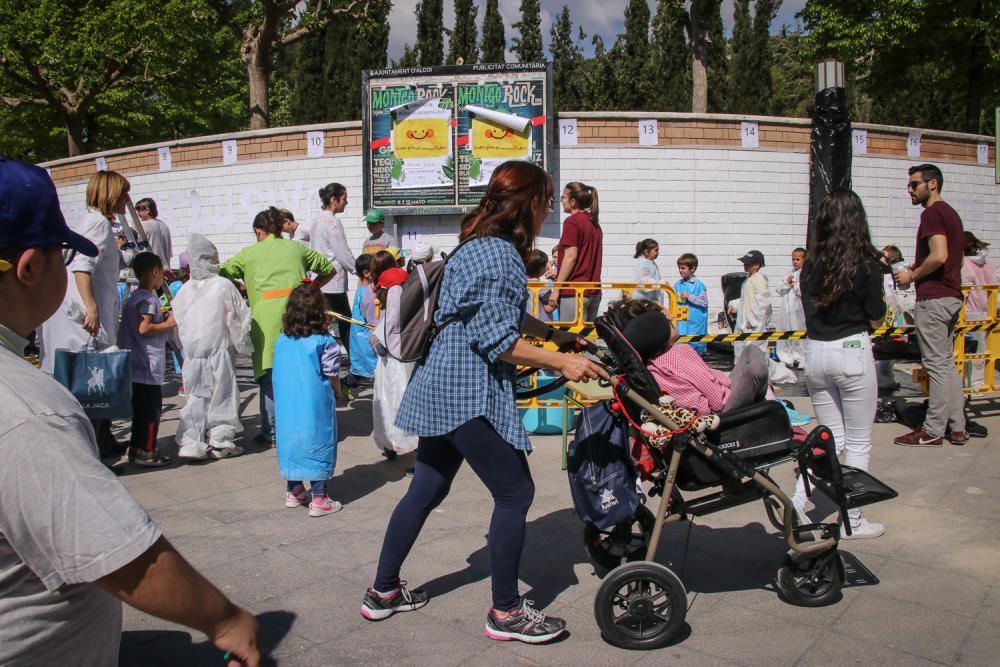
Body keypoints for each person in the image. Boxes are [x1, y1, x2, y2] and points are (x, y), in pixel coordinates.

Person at [0, 157, 260, 666]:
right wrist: (224, 618)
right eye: (63, 255)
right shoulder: (27, 410)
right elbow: (116, 552)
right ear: (32, 267)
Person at [361, 161, 607, 643]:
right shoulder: (502, 255)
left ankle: (383, 592)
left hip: (440, 384)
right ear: (530, 203)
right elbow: (498, 339)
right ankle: (506, 612)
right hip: (467, 390)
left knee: (426, 489)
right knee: (515, 493)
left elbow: (503, 315)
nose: (548, 212)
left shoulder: (474, 246)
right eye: (546, 202)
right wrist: (564, 364)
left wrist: (556, 336)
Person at [797, 189, 886, 538]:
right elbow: (877, 318)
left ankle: (797, 499)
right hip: (852, 349)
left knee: (828, 437)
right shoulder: (865, 265)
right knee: (859, 442)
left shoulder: (810, 266)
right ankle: (853, 518)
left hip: (816, 352)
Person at [219, 207, 334, 448]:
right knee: (304, 373)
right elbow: (329, 269)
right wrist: (310, 288)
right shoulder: (296, 248)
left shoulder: (249, 254)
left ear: (258, 231)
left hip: (265, 322)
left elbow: (220, 271)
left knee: (269, 378)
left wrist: (241, 286)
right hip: (300, 316)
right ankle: (304, 428)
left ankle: (271, 433)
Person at [39, 170, 133, 460]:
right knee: (92, 387)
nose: (127, 200)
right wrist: (91, 308)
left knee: (93, 385)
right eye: (124, 193)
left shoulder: (91, 222)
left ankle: (103, 440)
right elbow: (83, 267)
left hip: (80, 314)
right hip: (87, 319)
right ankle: (90, 452)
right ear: (111, 194)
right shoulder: (98, 224)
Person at [893, 164, 968, 446]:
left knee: (936, 365)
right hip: (950, 295)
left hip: (934, 299)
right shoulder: (951, 214)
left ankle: (933, 429)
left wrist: (912, 274)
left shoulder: (932, 214)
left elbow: (939, 255)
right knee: (947, 365)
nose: (910, 190)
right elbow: (955, 260)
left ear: (932, 184)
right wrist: (922, 266)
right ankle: (958, 427)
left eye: (915, 184)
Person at [611, 298, 771, 414]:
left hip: (709, 407)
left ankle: (768, 400)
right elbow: (717, 401)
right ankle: (770, 405)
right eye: (664, 316)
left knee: (750, 353)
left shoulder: (649, 366)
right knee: (757, 366)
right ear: (652, 328)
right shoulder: (678, 354)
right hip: (723, 412)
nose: (672, 317)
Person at [173, 234, 253, 461]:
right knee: (223, 394)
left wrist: (184, 347)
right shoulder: (223, 285)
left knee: (196, 395)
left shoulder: (185, 289)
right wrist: (242, 344)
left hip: (193, 354)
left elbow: (179, 322)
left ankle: (191, 440)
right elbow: (237, 318)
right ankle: (221, 439)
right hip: (219, 350)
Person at [274, 281, 344, 518]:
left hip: (286, 402)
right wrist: (338, 391)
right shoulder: (325, 341)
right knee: (317, 440)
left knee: (291, 439)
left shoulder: (282, 339)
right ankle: (319, 498)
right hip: (314, 402)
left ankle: (294, 490)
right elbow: (332, 373)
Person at [117, 252, 177, 467]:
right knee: (151, 413)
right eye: (161, 272)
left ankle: (136, 448)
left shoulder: (134, 296)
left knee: (140, 413)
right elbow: (144, 328)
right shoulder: (148, 299)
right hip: (147, 366)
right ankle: (147, 451)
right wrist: (169, 324)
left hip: (137, 366)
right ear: (154, 271)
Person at [370, 250, 418, 461]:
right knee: (399, 399)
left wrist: (378, 339)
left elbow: (392, 323)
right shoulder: (405, 282)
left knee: (392, 400)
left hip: (394, 357)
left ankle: (398, 442)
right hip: (408, 353)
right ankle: (397, 442)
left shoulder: (392, 287)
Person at [310, 183, 356, 358]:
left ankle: (321, 358)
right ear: (334, 200)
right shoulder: (332, 221)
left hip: (320, 279)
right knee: (346, 321)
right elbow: (341, 251)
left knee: (322, 322)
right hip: (333, 280)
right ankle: (356, 361)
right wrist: (356, 269)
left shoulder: (316, 220)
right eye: (344, 199)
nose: (346, 203)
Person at [548, 181, 603, 322]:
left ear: (573, 202)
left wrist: (556, 289)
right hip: (593, 291)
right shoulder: (595, 224)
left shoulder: (572, 222)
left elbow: (570, 257)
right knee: (587, 340)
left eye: (563, 198)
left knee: (571, 340)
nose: (561, 201)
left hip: (574, 292)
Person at [960, 231, 994, 390]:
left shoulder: (964, 265)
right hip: (989, 311)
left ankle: (968, 382)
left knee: (966, 352)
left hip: (969, 312)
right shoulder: (988, 263)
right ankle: (978, 383)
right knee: (983, 352)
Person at [729, 250, 772, 363]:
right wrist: (735, 306)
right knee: (741, 349)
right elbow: (746, 299)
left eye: (748, 264)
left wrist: (753, 321)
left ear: (757, 265)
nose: (745, 266)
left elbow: (762, 302)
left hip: (753, 324)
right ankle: (742, 375)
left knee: (755, 350)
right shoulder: (749, 279)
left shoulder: (759, 280)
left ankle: (760, 377)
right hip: (744, 321)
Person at [348, 254, 378, 384]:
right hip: (366, 338)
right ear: (366, 273)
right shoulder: (368, 292)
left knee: (360, 371)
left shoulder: (361, 290)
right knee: (375, 372)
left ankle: (348, 382)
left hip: (358, 337)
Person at [775, 247, 807, 368]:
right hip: (787, 310)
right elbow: (779, 288)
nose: (794, 262)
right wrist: (786, 283)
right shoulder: (789, 273)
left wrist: (795, 285)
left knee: (800, 333)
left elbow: (805, 292)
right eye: (793, 259)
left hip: (799, 310)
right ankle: (786, 356)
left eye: (797, 259)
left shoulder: (806, 274)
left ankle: (801, 357)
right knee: (786, 332)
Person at [673, 252, 709, 356]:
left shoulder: (699, 285)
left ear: (692, 269)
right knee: (680, 351)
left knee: (695, 352)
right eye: (679, 268)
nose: (680, 271)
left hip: (695, 326)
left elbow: (704, 303)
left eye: (683, 268)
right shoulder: (677, 284)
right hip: (681, 324)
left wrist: (690, 297)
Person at [134, 197, 173, 268]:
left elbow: (138, 248)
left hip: (152, 269)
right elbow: (169, 253)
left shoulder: (144, 225)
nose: (138, 214)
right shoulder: (164, 225)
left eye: (139, 211)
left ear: (147, 210)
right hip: (165, 268)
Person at [524, 248, 552, 321]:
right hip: (542, 324)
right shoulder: (544, 287)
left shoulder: (522, 284)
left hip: (526, 323)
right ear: (541, 269)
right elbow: (548, 308)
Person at [633, 238, 663, 303]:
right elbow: (644, 280)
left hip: (649, 300)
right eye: (656, 250)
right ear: (646, 252)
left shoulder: (651, 263)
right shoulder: (644, 264)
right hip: (644, 301)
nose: (658, 252)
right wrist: (661, 283)